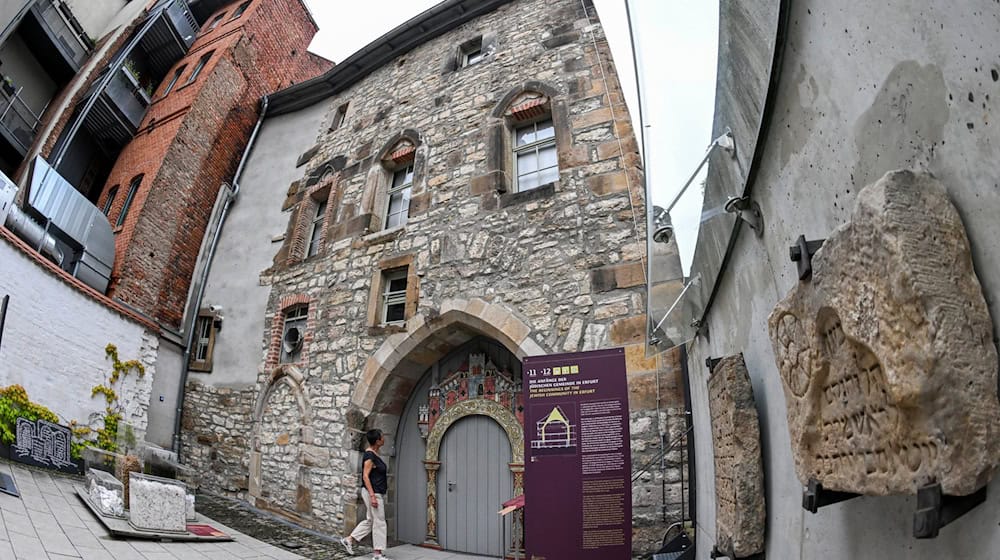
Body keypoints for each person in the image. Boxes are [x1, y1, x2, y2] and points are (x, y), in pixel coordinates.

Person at [340, 429, 390, 560]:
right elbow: (366, 477)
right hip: (372, 492)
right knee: (379, 522)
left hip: (374, 492)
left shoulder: (375, 454)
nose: (384, 438)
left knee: (371, 520)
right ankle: (377, 554)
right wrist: (373, 496)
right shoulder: (369, 456)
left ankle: (349, 540)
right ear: (378, 441)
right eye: (382, 437)